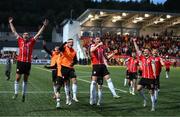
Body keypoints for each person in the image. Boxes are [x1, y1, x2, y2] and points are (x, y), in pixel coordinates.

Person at [9, 17, 48, 102]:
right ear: (22, 36)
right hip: (20, 62)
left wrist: (44, 26)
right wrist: (10, 23)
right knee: (17, 78)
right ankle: (16, 93)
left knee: (25, 79)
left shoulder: (32, 41)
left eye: (27, 35)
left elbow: (38, 34)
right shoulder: (20, 40)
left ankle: (23, 94)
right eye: (24, 34)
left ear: (28, 36)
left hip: (28, 63)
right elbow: (14, 31)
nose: (26, 35)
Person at [89, 37, 120, 106]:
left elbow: (106, 58)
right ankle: (92, 99)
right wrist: (98, 45)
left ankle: (114, 94)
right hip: (96, 65)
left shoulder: (102, 48)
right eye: (97, 39)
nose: (99, 40)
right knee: (93, 83)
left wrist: (113, 53)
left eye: (99, 39)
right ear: (94, 40)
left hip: (102, 65)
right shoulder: (93, 46)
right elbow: (91, 50)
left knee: (108, 79)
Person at [133, 38, 156, 111]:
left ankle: (153, 106)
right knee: (138, 88)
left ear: (149, 52)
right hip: (144, 77)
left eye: (146, 51)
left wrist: (155, 73)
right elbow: (137, 50)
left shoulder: (152, 58)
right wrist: (134, 42)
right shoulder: (142, 57)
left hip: (151, 78)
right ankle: (145, 99)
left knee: (151, 92)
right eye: (144, 51)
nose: (145, 52)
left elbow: (153, 66)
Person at [59, 39, 78, 104]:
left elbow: (76, 60)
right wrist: (65, 43)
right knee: (66, 83)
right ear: (68, 43)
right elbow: (60, 48)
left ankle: (74, 96)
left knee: (74, 80)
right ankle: (67, 97)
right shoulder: (64, 48)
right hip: (64, 68)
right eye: (70, 42)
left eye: (72, 42)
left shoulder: (74, 51)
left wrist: (73, 64)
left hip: (71, 68)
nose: (71, 43)